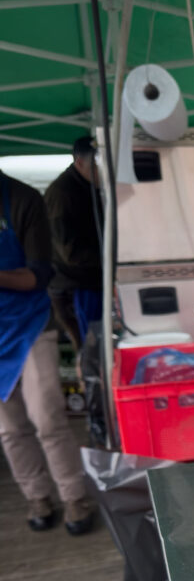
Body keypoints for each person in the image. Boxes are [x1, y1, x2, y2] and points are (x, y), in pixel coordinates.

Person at [0, 168, 95, 534]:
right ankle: (36, 495)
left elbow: (38, 276)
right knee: (9, 428)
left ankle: (74, 496)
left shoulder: (22, 200)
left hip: (31, 326)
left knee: (48, 419)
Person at [44, 135, 103, 351]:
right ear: (79, 162)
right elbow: (71, 252)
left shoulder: (88, 186)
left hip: (90, 282)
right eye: (97, 167)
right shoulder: (62, 194)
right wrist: (113, 256)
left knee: (99, 347)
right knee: (91, 349)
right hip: (73, 288)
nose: (102, 173)